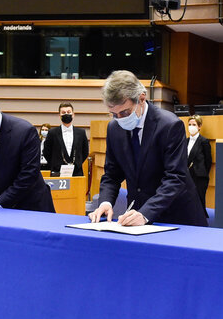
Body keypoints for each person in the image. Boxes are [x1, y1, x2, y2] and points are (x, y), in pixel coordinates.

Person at [88, 70, 207, 227]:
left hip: (176, 216)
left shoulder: (170, 125)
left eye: (124, 112)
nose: (120, 119)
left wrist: (146, 214)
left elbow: (175, 177)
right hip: (137, 217)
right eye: (114, 114)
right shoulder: (114, 128)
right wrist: (105, 202)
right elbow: (112, 174)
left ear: (141, 98)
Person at [42, 102, 89, 177]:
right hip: (57, 172)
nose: (66, 114)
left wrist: (77, 163)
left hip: (77, 173)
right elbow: (46, 152)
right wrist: (55, 164)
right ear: (59, 115)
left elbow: (85, 152)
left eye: (69, 112)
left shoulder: (81, 133)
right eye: (63, 112)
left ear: (73, 115)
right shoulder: (52, 133)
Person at [186, 115, 212, 214]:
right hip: (187, 175)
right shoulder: (186, 141)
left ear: (199, 126)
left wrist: (203, 174)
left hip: (199, 176)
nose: (191, 127)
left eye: (194, 124)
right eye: (189, 124)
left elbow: (208, 161)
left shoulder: (204, 141)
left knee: (199, 199)